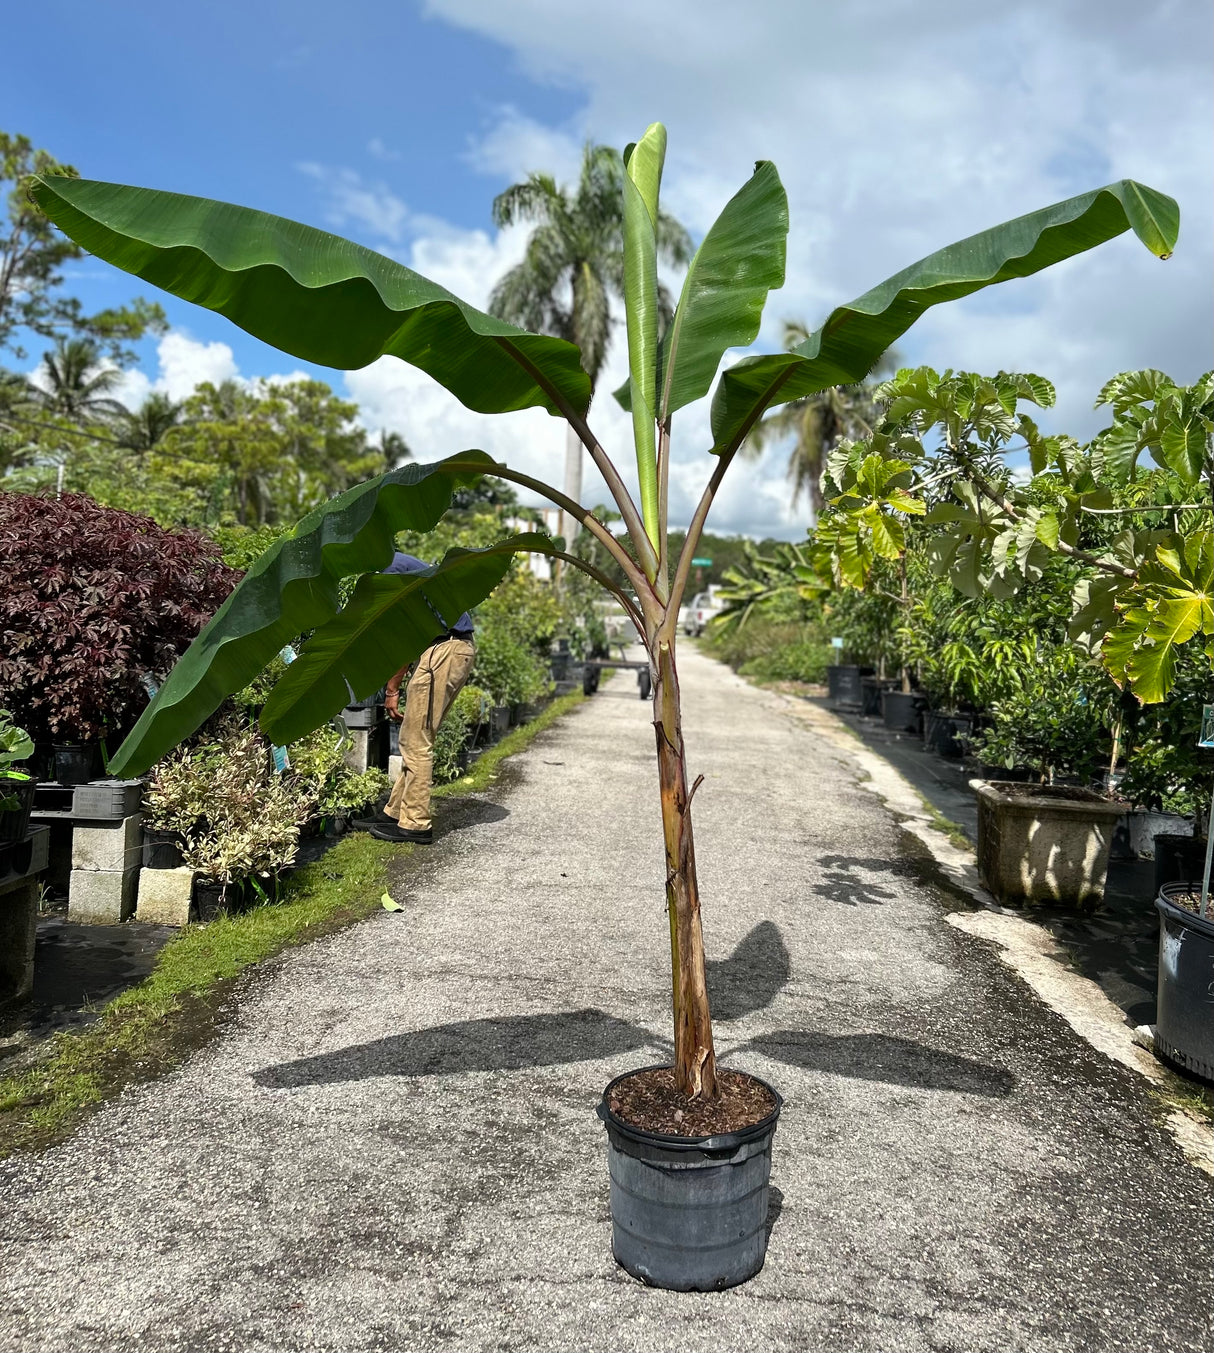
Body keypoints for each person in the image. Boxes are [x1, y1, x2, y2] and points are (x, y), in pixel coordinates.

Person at [367, 552, 476, 844]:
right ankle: (395, 813)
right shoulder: (395, 563)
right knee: (414, 736)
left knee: (416, 741)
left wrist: (392, 691)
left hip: (445, 650)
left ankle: (416, 824)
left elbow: (403, 639)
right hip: (447, 649)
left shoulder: (387, 570)